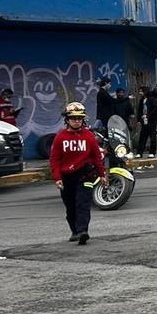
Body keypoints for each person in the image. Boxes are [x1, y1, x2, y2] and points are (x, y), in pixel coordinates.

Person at [49, 101, 106, 245]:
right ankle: (74, 231)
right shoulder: (60, 137)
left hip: (85, 174)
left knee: (83, 204)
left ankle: (83, 231)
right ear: (67, 120)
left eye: (79, 118)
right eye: (73, 118)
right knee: (71, 207)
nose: (76, 121)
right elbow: (54, 159)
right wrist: (57, 178)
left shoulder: (89, 136)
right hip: (67, 177)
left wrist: (102, 175)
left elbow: (97, 157)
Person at [136, 87, 157, 157]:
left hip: (151, 121)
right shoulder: (142, 100)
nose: (140, 93)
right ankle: (139, 152)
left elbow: (155, 110)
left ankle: (152, 152)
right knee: (142, 137)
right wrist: (139, 119)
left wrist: (148, 116)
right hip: (144, 122)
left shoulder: (152, 99)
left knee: (153, 137)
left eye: (141, 91)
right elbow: (139, 110)